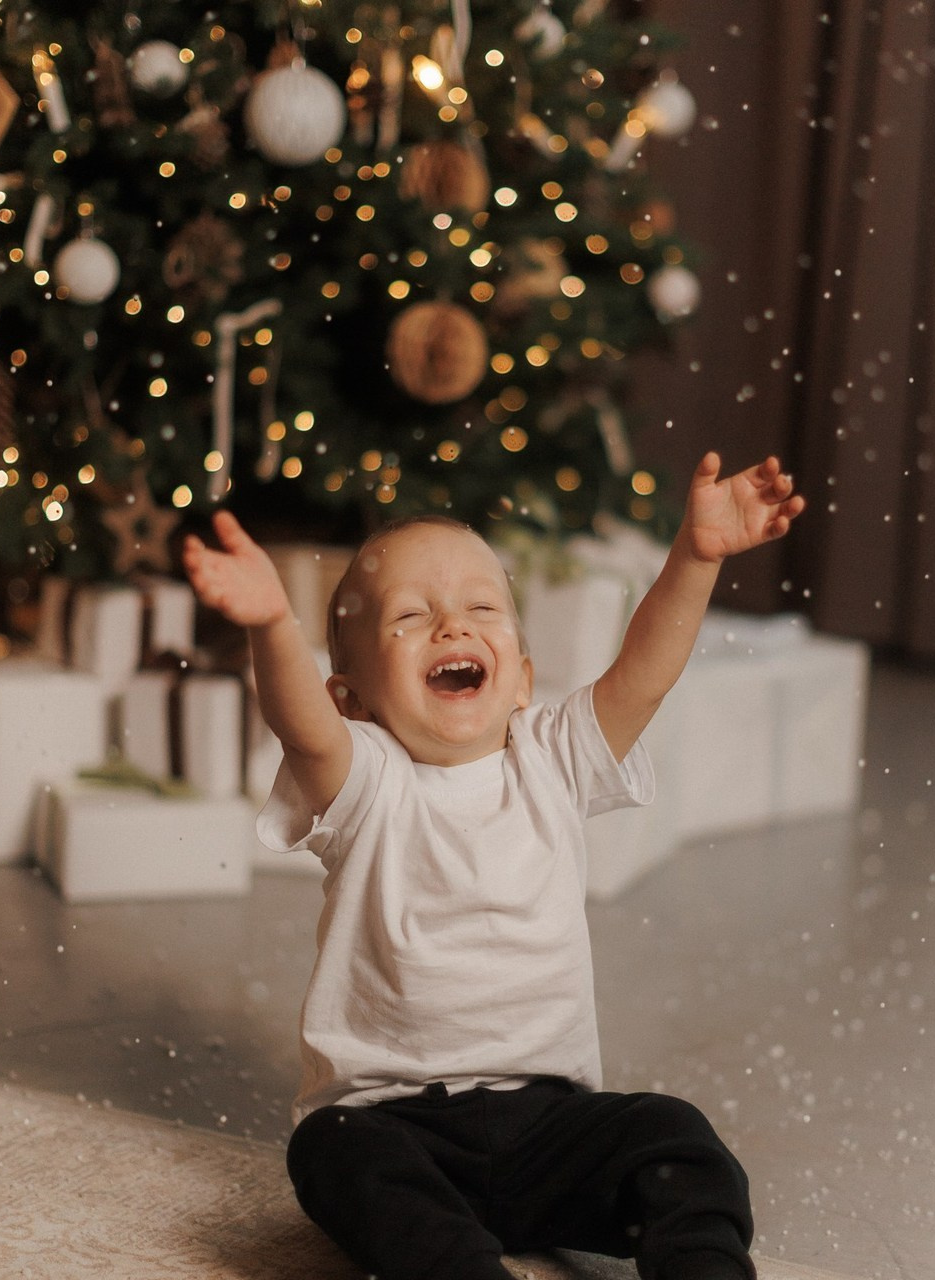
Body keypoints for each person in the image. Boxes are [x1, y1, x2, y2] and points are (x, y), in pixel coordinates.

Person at [183, 451, 803, 1280]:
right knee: (332, 1157)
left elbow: (646, 674)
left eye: (481, 606)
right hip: (397, 1124)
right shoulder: (367, 779)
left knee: (677, 1139)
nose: (451, 626)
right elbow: (304, 730)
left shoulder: (553, 757)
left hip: (551, 1127)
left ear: (521, 680)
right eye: (408, 617)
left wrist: (694, 558)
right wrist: (270, 626)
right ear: (354, 698)